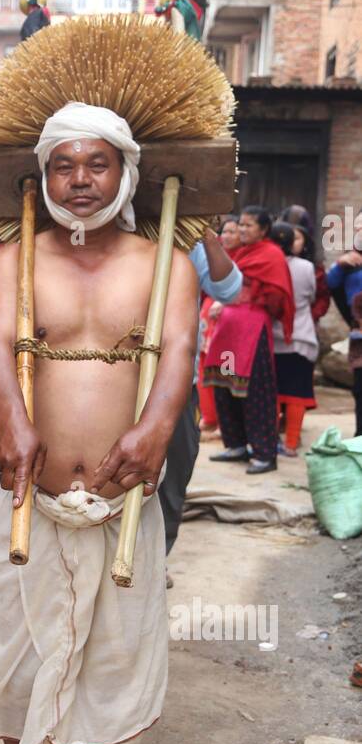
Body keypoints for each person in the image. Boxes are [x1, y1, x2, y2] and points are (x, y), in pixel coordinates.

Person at [0, 102, 198, 744]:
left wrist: (156, 427)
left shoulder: (164, 261)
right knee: (11, 656)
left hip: (122, 503)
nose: (79, 180)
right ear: (44, 176)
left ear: (124, 172)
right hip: (27, 497)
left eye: (96, 163)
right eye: (63, 165)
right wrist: (11, 419)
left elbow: (177, 354)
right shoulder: (13, 262)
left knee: (108, 666)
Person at [158, 224, 242, 565]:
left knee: (172, 473)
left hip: (174, 383)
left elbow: (230, 290)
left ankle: (154, 559)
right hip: (108, 381)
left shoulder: (186, 239)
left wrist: (204, 229)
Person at [203, 206, 294, 474]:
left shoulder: (271, 255)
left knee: (255, 392)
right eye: (240, 225)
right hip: (226, 329)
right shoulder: (234, 253)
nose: (242, 230)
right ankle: (236, 444)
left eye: (248, 226)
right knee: (224, 385)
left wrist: (250, 298)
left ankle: (264, 453)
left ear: (264, 230)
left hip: (251, 330)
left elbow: (278, 298)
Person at [270, 221, 318, 456]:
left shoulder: (268, 262)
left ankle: (272, 441)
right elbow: (310, 295)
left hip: (273, 337)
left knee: (275, 391)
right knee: (297, 392)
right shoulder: (306, 267)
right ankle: (291, 443)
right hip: (301, 336)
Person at [197, 215, 241, 435]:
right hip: (207, 320)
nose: (228, 236)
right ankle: (209, 416)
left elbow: (231, 291)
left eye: (234, 231)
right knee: (204, 368)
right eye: (226, 231)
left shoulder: (245, 257)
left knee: (225, 371)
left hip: (231, 326)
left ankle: (224, 423)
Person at [325, 229, 362, 435]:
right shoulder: (350, 262)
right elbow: (330, 284)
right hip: (359, 338)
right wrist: (340, 264)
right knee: (360, 391)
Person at [280, 205, 330, 324]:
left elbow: (322, 298)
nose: (291, 243)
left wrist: (309, 316)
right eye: (288, 237)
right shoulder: (274, 262)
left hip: (304, 324)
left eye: (296, 238)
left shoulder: (314, 268)